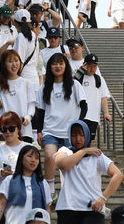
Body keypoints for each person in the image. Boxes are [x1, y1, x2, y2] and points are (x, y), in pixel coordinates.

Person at [55, 120, 123, 224]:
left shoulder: (97, 156)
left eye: (81, 134)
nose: (77, 138)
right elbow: (63, 164)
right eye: (74, 134)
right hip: (68, 209)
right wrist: (84, 150)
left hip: (93, 209)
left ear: (87, 135)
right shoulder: (64, 151)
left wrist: (103, 197)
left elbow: (117, 175)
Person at [34, 53, 86, 193]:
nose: (57, 66)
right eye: (54, 64)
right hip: (50, 130)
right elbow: (40, 112)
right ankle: (50, 190)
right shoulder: (44, 87)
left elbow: (84, 106)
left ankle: (69, 190)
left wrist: (78, 125)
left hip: (69, 131)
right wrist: (38, 131)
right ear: (49, 66)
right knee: (49, 156)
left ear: (66, 66)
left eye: (60, 63)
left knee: (68, 162)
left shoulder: (75, 85)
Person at [0, 144, 52, 224]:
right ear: (21, 158)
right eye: (30, 156)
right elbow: (1, 204)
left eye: (36, 158)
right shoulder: (9, 180)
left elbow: (47, 207)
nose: (33, 160)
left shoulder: (42, 183)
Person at [0, 48, 35, 138]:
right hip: (2, 130)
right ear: (4, 64)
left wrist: (28, 117)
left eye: (16, 61)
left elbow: (31, 105)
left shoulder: (27, 83)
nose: (14, 64)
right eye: (10, 61)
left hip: (24, 131)